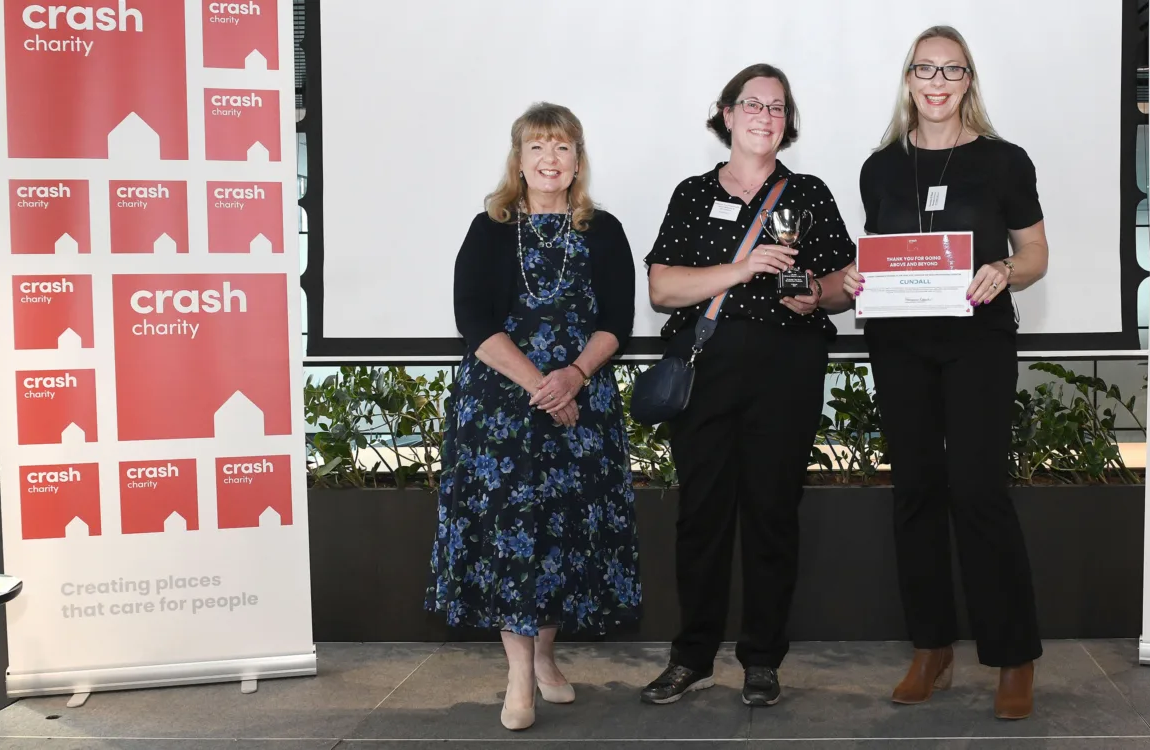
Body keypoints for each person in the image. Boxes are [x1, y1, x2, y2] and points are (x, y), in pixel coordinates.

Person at [843, 26, 1050, 720]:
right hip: (899, 347)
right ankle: (931, 647)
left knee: (979, 490)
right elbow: (882, 255)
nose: (937, 82)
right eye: (924, 70)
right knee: (916, 493)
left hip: (978, 344)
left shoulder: (1003, 162)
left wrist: (1004, 269)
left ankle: (1013, 656)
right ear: (908, 81)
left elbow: (1036, 255)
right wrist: (854, 280)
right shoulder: (879, 168)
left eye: (951, 70)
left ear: (968, 82)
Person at [639, 63, 857, 708]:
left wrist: (816, 294)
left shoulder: (809, 193)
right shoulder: (691, 192)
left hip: (787, 372)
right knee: (701, 516)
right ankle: (692, 657)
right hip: (707, 371)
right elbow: (661, 288)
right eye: (752, 104)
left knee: (771, 515)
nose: (765, 116)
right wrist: (740, 269)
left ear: (787, 123)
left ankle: (762, 659)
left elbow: (847, 281)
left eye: (777, 108)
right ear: (726, 114)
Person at [426, 102, 642, 732]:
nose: (551, 161)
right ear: (518, 160)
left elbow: (617, 323)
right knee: (509, 536)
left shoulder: (604, 230)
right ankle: (519, 676)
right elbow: (475, 323)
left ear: (579, 159)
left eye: (564, 148)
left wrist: (573, 376)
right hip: (500, 412)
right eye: (538, 148)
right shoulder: (488, 228)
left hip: (584, 405)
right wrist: (541, 386)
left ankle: (545, 657)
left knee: (564, 537)